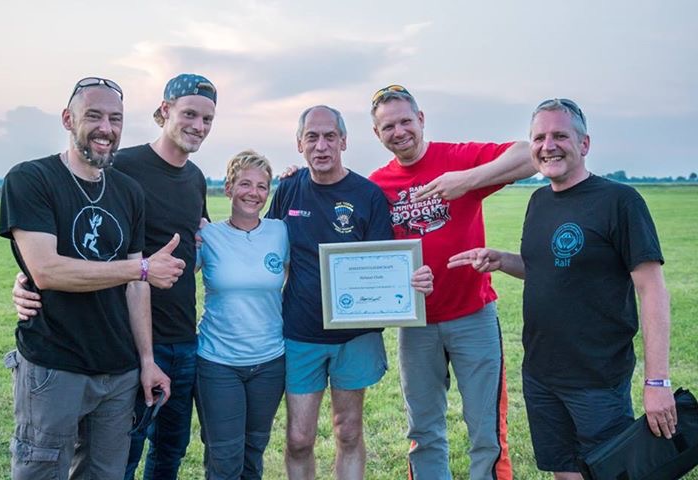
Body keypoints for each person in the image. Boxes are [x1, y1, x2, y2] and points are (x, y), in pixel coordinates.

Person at [448, 98, 676, 479]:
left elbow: (652, 291)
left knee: (609, 472)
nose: (547, 145)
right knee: (563, 473)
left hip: (597, 378)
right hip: (541, 374)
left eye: (559, 136)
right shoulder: (539, 201)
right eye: (538, 137)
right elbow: (548, 269)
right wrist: (504, 260)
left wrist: (657, 382)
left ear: (584, 144)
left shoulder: (619, 201)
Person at [11, 73, 217, 480]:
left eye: (208, 119)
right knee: (84, 462)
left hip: (162, 344)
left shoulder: (181, 180)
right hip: (84, 350)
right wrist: (25, 281)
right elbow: (54, 259)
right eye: (190, 113)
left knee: (162, 453)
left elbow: (187, 244)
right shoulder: (110, 168)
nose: (199, 125)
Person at [368, 84, 536, 480]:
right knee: (423, 430)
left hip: (472, 314)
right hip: (416, 323)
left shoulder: (456, 159)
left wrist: (467, 181)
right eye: (388, 126)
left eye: (406, 121)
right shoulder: (376, 184)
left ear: (421, 119)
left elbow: (529, 154)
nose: (399, 132)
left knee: (486, 430)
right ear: (377, 134)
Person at [266, 105, 434, 480]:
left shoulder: (367, 195)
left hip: (354, 335)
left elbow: (383, 267)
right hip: (300, 333)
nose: (321, 146)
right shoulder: (288, 189)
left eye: (329, 136)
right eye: (312, 137)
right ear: (299, 144)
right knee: (298, 438)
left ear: (344, 141)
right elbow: (270, 249)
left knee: (348, 430)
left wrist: (408, 282)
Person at [194, 150, 289, 479]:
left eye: (262, 186)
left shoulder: (280, 232)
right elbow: (168, 279)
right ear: (229, 188)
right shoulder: (207, 236)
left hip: (270, 362)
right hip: (218, 363)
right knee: (225, 458)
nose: (254, 193)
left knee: (253, 454)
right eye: (245, 184)